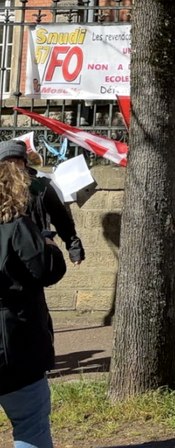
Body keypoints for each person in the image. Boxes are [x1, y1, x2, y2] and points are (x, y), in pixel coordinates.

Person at [0, 160, 67, 448]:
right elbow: (47, 270)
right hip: (15, 343)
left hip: (14, 339)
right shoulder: (17, 226)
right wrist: (49, 245)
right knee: (31, 426)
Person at [0, 140, 84, 265]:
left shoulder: (40, 188)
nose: (13, 168)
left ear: (25, 164)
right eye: (8, 163)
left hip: (33, 249)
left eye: (17, 162)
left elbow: (61, 218)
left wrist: (73, 246)